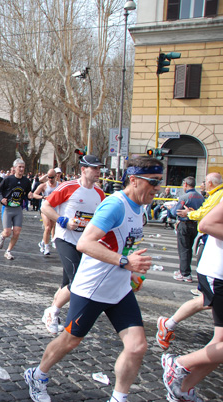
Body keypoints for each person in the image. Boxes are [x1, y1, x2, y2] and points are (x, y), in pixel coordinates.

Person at [24, 156, 161, 402]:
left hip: (119, 290)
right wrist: (124, 262)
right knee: (70, 340)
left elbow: (124, 244)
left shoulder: (140, 206)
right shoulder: (115, 205)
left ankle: (119, 398)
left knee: (137, 346)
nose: (157, 188)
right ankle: (37, 375)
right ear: (134, 180)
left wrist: (132, 271)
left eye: (159, 182)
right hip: (92, 288)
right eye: (152, 182)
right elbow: (86, 243)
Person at [161, 197, 223, 402]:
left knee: (219, 344)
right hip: (218, 273)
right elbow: (206, 224)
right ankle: (178, 364)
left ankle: (183, 390)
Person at [156, 172, 223, 350]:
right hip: (215, 268)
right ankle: (182, 366)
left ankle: (169, 325)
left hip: (211, 263)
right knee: (219, 336)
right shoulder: (215, 195)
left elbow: (204, 215)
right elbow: (206, 220)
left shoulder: (212, 195)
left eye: (205, 182)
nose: (203, 185)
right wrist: (191, 215)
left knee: (205, 301)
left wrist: (189, 214)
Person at [39, 157, 106, 334]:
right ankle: (52, 312)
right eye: (95, 168)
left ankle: (53, 312)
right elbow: (45, 206)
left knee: (66, 283)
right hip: (65, 239)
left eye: (100, 168)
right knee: (77, 280)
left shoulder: (100, 193)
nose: (98, 172)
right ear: (84, 169)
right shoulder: (68, 187)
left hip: (85, 244)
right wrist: (63, 220)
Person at [0, 159, 32, 260]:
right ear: (15, 168)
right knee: (7, 232)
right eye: (19, 167)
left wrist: (30, 196)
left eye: (23, 167)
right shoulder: (8, 179)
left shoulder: (26, 181)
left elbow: (28, 193)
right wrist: (2, 199)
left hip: (18, 209)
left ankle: (8, 251)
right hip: (8, 208)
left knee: (17, 232)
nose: (21, 169)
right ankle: (2, 236)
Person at [170, 177, 204, 282]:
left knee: (183, 249)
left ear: (185, 184)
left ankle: (185, 273)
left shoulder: (185, 197)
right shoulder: (201, 197)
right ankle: (185, 271)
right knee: (188, 248)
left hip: (185, 224)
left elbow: (175, 212)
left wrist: (170, 209)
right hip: (195, 225)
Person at [33, 169, 60, 256]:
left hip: (54, 209)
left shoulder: (59, 185)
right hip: (45, 208)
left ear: (55, 177)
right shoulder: (44, 185)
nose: (50, 179)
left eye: (52, 177)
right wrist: (43, 197)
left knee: (52, 227)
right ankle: (46, 247)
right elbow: (34, 194)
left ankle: (42, 242)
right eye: (48, 177)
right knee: (48, 227)